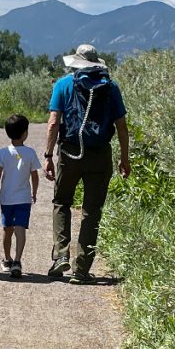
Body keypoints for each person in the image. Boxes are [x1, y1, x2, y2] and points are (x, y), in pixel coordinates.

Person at [43, 44, 130, 284]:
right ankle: (81, 270)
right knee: (92, 211)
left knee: (62, 201)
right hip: (100, 154)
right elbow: (122, 127)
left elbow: (52, 123)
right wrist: (125, 158)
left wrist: (48, 156)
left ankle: (61, 256)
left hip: (70, 151)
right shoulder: (110, 87)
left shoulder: (63, 84)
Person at [0, 114, 40, 279]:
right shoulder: (30, 153)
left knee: (7, 229)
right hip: (24, 198)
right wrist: (34, 192)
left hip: (6, 199)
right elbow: (35, 176)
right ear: (25, 133)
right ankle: (18, 260)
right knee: (20, 229)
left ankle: (8, 259)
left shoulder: (3, 153)